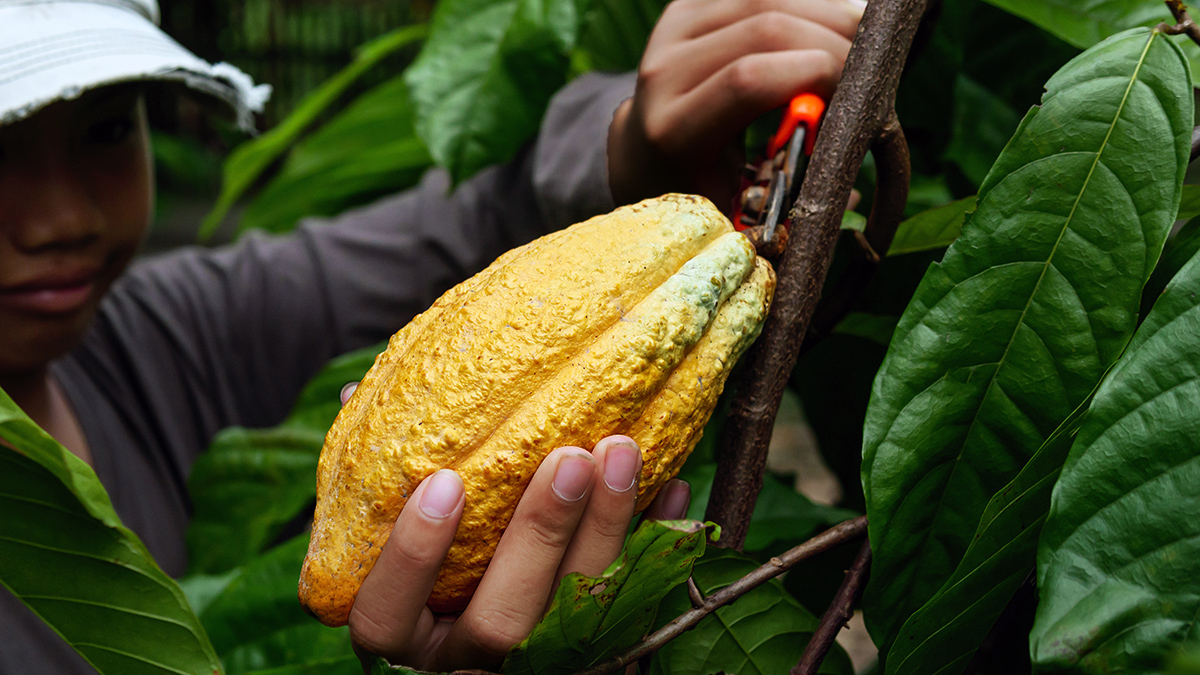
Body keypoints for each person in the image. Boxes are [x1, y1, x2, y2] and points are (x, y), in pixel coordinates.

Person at [0, 0, 863, 672]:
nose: (58, 219)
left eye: (107, 128)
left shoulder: (160, 337)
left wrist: (644, 133)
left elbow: (481, 221)